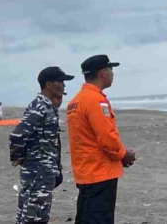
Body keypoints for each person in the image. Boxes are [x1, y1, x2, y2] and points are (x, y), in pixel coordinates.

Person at [68, 55, 136, 224]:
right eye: (110, 69)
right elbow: (107, 138)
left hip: (85, 171)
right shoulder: (95, 100)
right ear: (102, 72)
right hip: (100, 172)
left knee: (85, 218)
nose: (113, 73)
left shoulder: (76, 101)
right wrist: (124, 155)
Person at [10, 66, 73, 224]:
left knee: (28, 216)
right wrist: (19, 157)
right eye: (60, 81)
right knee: (35, 217)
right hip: (39, 172)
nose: (64, 85)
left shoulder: (46, 106)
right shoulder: (41, 107)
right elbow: (17, 135)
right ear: (48, 84)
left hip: (40, 172)